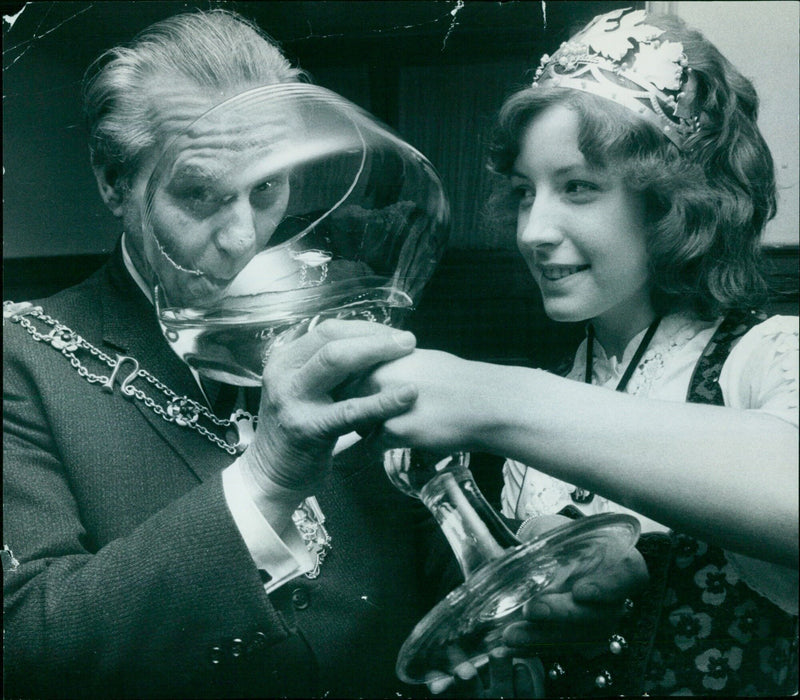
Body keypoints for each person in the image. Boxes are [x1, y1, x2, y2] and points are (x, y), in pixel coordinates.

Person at [2, 9, 555, 698]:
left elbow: (435, 587)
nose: (242, 237)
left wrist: (530, 608)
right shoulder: (22, 359)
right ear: (114, 183)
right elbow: (24, 648)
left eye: (267, 189)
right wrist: (264, 477)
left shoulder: (336, 314)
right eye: (199, 194)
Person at [353, 8, 799, 697]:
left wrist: (490, 398)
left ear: (672, 203)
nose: (533, 229)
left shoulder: (766, 356)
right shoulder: (564, 395)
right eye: (525, 192)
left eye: (579, 188)